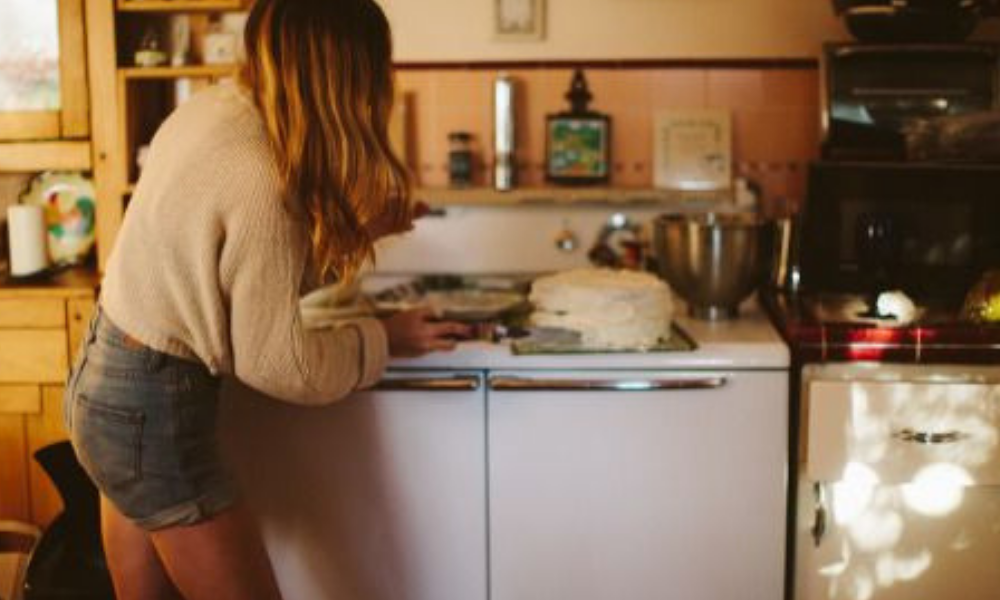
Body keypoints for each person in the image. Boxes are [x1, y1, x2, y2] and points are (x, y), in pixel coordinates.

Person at [62, 1, 469, 599]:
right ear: (348, 75)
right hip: (153, 409)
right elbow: (282, 366)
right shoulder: (263, 172)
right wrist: (386, 338)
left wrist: (356, 236)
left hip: (106, 385)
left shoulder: (213, 111)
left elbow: (236, 281)